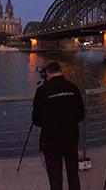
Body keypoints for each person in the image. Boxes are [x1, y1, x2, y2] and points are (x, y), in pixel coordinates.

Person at [32, 62, 86, 190]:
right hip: (71, 138)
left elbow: (36, 120)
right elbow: (81, 115)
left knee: (55, 176)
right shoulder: (73, 87)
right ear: (61, 71)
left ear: (48, 73)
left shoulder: (42, 90)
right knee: (73, 174)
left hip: (50, 140)